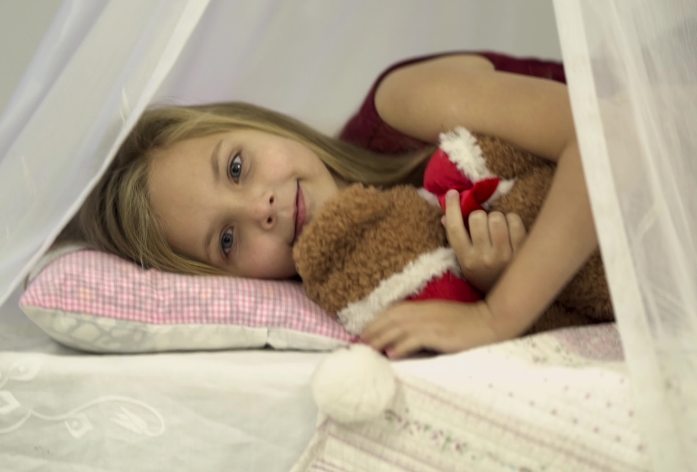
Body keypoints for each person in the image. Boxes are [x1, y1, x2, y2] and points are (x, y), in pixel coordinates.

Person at [61, 51, 599, 359]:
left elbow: (609, 136)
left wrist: (496, 315)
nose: (260, 208)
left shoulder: (398, 103)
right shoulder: (369, 289)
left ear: (254, 122)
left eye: (236, 167)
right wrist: (496, 280)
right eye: (227, 240)